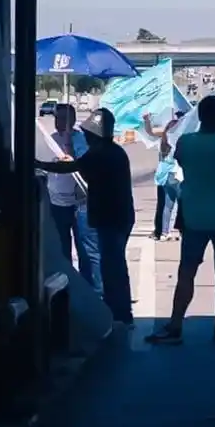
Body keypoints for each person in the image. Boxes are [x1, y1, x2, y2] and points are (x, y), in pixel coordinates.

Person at [146, 95, 215, 346]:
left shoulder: (186, 142)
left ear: (199, 116)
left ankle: (176, 324)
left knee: (187, 273)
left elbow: (179, 160)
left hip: (194, 216)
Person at [36, 108, 134, 325]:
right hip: (118, 217)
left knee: (110, 266)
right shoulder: (113, 151)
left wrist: (39, 164)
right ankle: (120, 310)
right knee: (114, 265)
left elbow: (72, 166)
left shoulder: (101, 153)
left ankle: (116, 312)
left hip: (111, 218)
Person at [45, 104, 101, 293]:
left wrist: (69, 141)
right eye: (57, 117)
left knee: (87, 251)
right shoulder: (50, 140)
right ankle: (68, 287)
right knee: (62, 249)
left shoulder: (81, 139)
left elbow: (79, 164)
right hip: (57, 203)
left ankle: (92, 289)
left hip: (80, 203)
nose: (58, 122)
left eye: (63, 118)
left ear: (73, 120)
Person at [141, 110, 186, 240]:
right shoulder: (181, 137)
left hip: (164, 175)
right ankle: (179, 232)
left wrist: (147, 120)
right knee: (180, 205)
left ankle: (164, 232)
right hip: (177, 174)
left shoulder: (165, 136)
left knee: (167, 205)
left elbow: (150, 132)